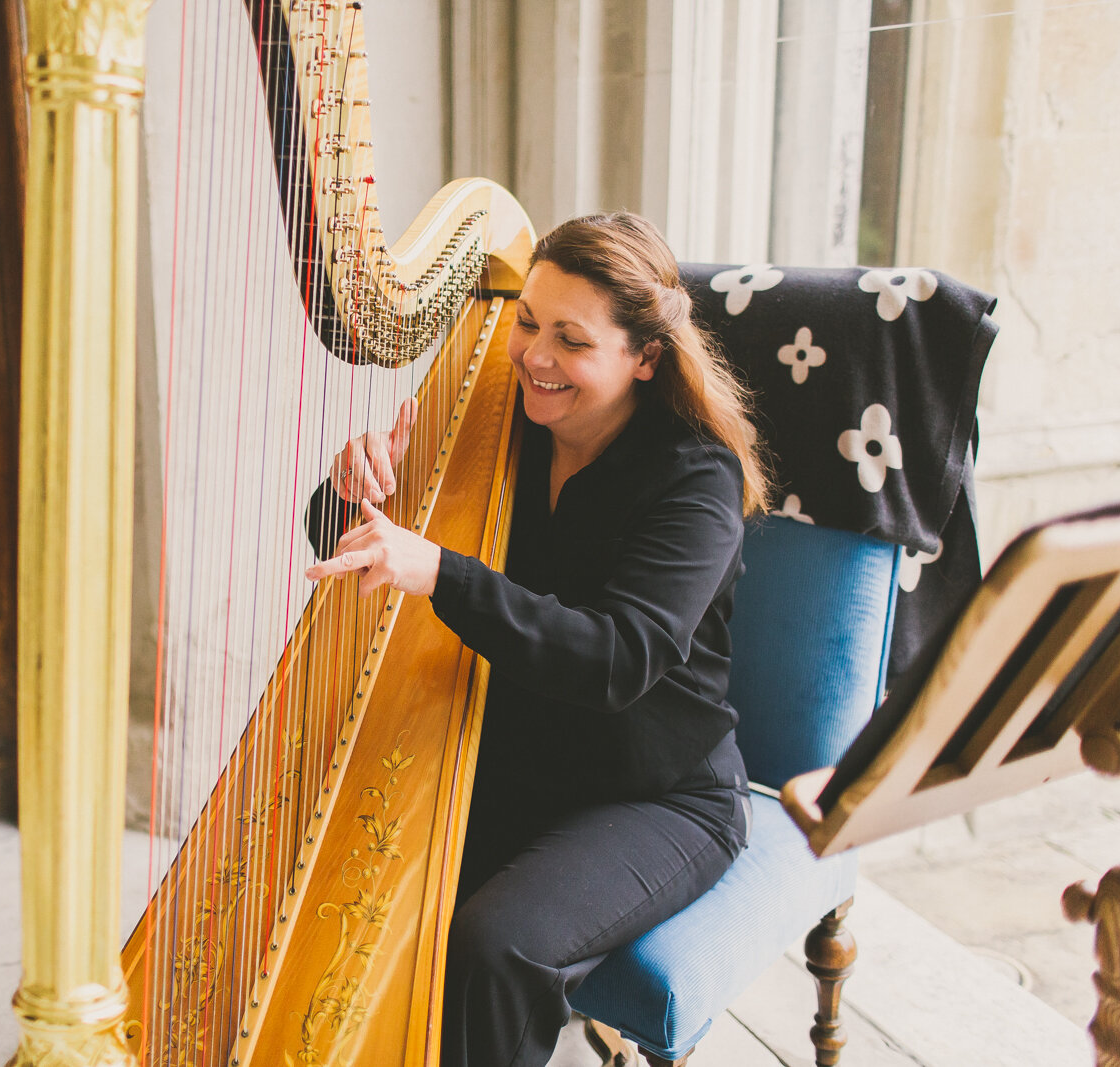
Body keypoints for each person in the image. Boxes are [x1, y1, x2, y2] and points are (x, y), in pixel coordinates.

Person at [304, 212, 771, 1067]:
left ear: (645, 356)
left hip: (659, 793)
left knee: (494, 942)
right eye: (526, 321)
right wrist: (352, 488)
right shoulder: (498, 418)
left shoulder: (695, 478)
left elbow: (616, 658)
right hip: (522, 758)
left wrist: (443, 572)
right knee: (326, 870)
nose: (534, 356)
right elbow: (380, 543)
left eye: (571, 340)